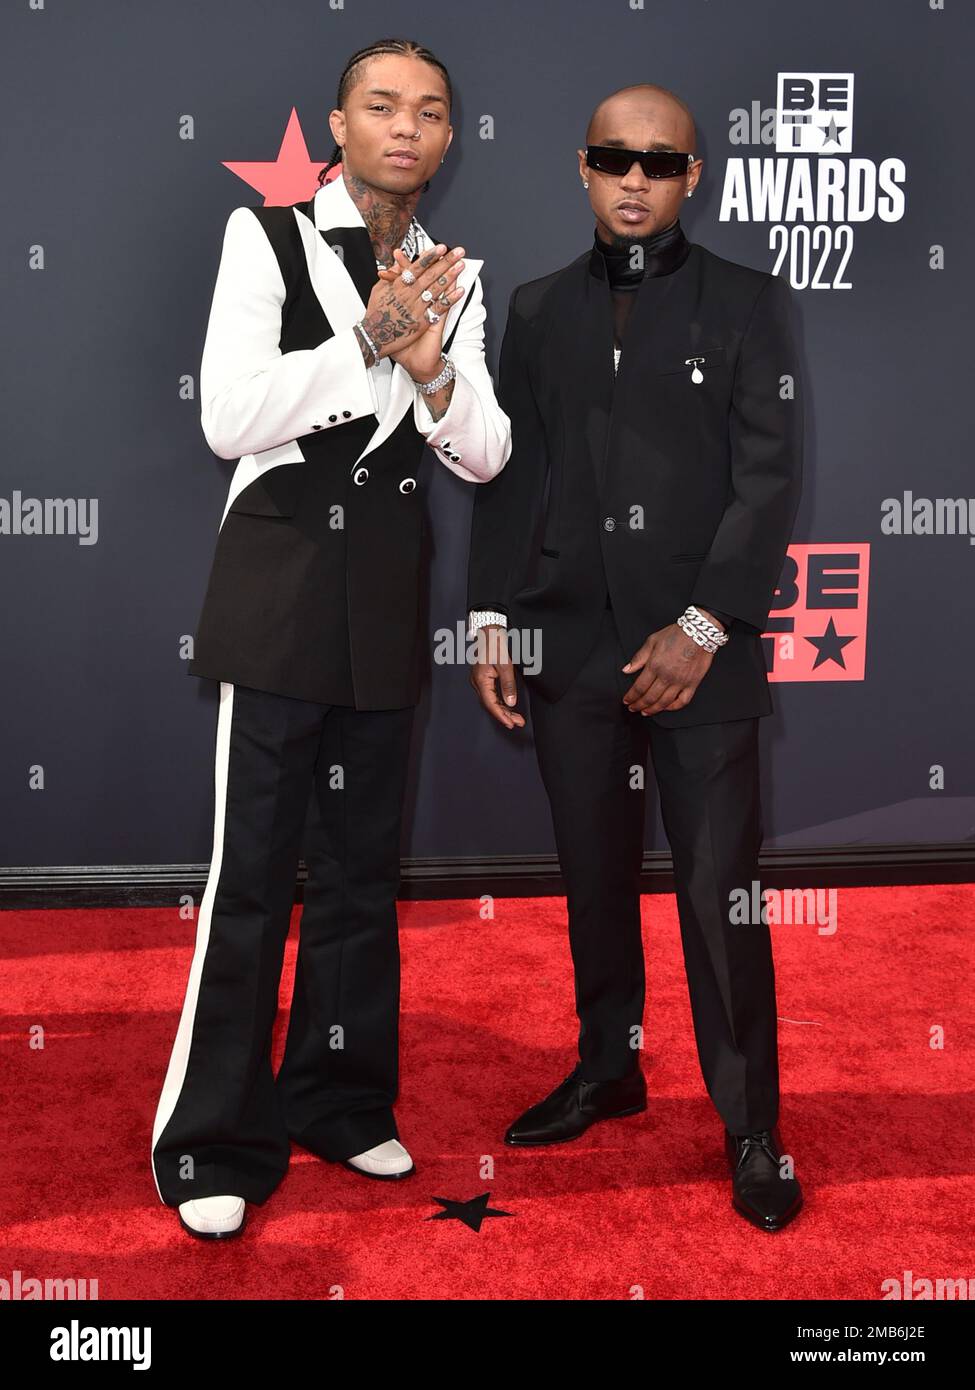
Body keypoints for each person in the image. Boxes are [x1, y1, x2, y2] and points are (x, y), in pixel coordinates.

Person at [151, 38, 511, 1241]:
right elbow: (228, 415)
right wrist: (364, 340)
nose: (406, 127)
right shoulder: (264, 237)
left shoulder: (459, 275)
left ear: (450, 141)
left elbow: (487, 453)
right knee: (250, 879)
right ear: (340, 124)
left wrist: (431, 359)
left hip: (387, 608)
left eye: (430, 112)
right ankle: (210, 1136)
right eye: (381, 106)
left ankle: (340, 1098)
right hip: (280, 595)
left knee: (362, 878)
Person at [467, 84, 804, 1232]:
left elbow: (769, 480)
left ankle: (752, 1122)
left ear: (692, 176)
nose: (635, 178)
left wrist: (706, 627)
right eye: (615, 157)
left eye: (660, 162)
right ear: (581, 165)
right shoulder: (538, 306)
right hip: (571, 646)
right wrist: (492, 616)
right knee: (594, 883)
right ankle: (610, 1067)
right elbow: (513, 475)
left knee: (721, 896)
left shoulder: (750, 304)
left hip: (701, 655)